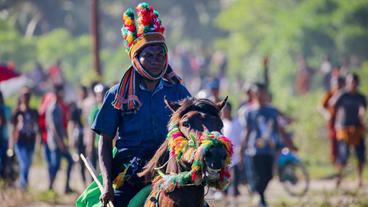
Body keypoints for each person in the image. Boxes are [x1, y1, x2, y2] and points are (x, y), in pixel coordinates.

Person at [92, 3, 190, 206]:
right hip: (130, 175)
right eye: (149, 56)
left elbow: (194, 123)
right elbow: (105, 141)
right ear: (136, 58)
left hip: (170, 169)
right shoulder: (116, 95)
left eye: (160, 55)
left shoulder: (178, 91)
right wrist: (108, 184)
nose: (156, 60)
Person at [240, 83, 296, 207]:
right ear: (254, 94)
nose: (260, 95)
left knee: (269, 175)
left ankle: (259, 196)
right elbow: (247, 131)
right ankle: (261, 199)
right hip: (254, 150)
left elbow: (281, 129)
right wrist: (242, 148)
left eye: (262, 93)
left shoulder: (272, 111)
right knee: (258, 175)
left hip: (269, 149)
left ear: (265, 94)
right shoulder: (249, 112)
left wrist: (290, 144)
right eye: (257, 93)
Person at [329, 73, 366, 187]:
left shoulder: (361, 97)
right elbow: (332, 104)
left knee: (360, 155)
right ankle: (339, 177)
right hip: (343, 128)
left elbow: (363, 109)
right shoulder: (343, 95)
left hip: (357, 128)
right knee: (343, 155)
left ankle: (360, 179)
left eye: (354, 82)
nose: (353, 85)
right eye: (351, 82)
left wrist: (362, 115)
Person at [8, 87, 39, 190]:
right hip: (20, 142)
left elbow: (37, 128)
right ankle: (23, 185)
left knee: (27, 164)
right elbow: (12, 129)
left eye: (28, 95)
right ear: (21, 97)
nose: (26, 97)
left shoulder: (33, 112)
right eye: (24, 95)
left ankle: (22, 183)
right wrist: (10, 145)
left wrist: (39, 142)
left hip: (31, 141)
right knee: (24, 163)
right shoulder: (17, 112)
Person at [46, 84, 74, 193]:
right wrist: (60, 143)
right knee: (56, 165)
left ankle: (66, 187)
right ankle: (50, 187)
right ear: (56, 93)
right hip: (54, 143)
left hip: (60, 142)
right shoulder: (52, 107)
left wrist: (65, 140)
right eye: (60, 92)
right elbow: (53, 128)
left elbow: (62, 126)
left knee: (69, 162)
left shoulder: (59, 107)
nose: (63, 94)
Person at [319, 76, 345, 165]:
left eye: (339, 84)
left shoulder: (345, 95)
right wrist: (326, 114)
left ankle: (342, 162)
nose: (337, 86)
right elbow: (321, 107)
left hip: (344, 124)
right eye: (336, 84)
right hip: (333, 123)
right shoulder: (330, 94)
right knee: (334, 144)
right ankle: (336, 162)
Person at [222, 102, 242, 203]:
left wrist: (241, 152)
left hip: (235, 157)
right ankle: (226, 200)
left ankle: (234, 201)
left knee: (234, 179)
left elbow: (241, 138)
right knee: (224, 180)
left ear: (229, 110)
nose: (224, 112)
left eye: (225, 110)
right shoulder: (222, 124)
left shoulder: (237, 123)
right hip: (224, 157)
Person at [0, 90, 12, 179]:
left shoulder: (6, 109)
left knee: (5, 159)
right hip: (5, 138)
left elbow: (4, 122)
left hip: (4, 138)